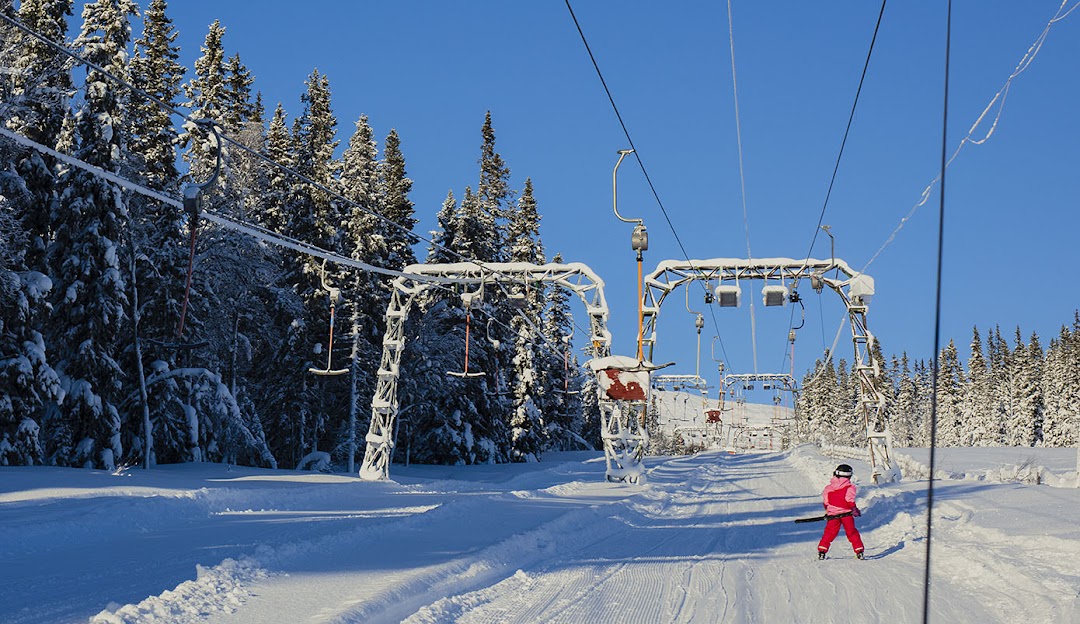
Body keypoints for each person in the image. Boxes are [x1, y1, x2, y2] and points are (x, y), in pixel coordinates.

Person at [817, 463, 865, 560]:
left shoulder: (828, 488)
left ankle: (822, 550)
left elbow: (826, 502)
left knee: (829, 533)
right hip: (847, 515)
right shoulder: (850, 487)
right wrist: (854, 509)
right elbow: (849, 500)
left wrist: (829, 510)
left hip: (833, 515)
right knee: (852, 532)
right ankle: (859, 551)